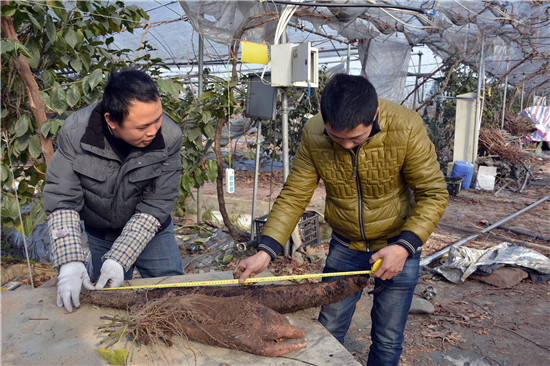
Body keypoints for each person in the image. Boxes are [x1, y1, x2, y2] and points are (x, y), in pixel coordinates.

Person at [233, 73, 448, 365]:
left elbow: (432, 193)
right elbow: (295, 194)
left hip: (397, 246)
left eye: (356, 138)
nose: (346, 146)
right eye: (337, 138)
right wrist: (266, 251)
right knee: (329, 329)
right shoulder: (313, 132)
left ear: (375, 115)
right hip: (346, 248)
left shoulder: (406, 127)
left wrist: (404, 247)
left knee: (387, 338)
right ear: (324, 118)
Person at [44, 68, 184, 313]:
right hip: (102, 232)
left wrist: (121, 256)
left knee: (173, 295)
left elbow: (157, 203)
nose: (153, 131)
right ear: (111, 120)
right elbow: (62, 197)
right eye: (142, 127)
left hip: (153, 229)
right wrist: (69, 260)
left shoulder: (169, 137)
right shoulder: (76, 133)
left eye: (157, 119)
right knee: (108, 302)